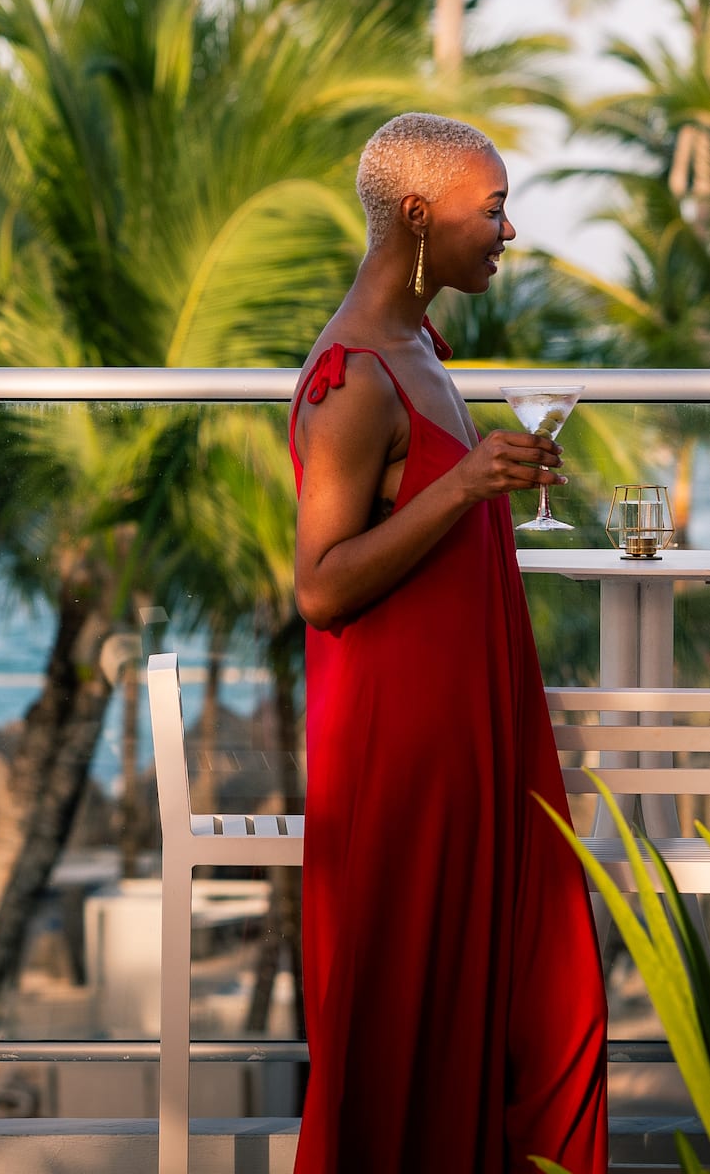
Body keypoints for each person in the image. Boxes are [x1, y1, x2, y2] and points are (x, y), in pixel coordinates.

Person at [288, 111, 607, 1174]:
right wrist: (469, 483)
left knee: (534, 989)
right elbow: (321, 586)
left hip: (473, 733)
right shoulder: (353, 379)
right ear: (418, 215)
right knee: (409, 1014)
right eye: (495, 206)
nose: (509, 229)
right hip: (404, 755)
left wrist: (485, 481)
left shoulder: (421, 344)